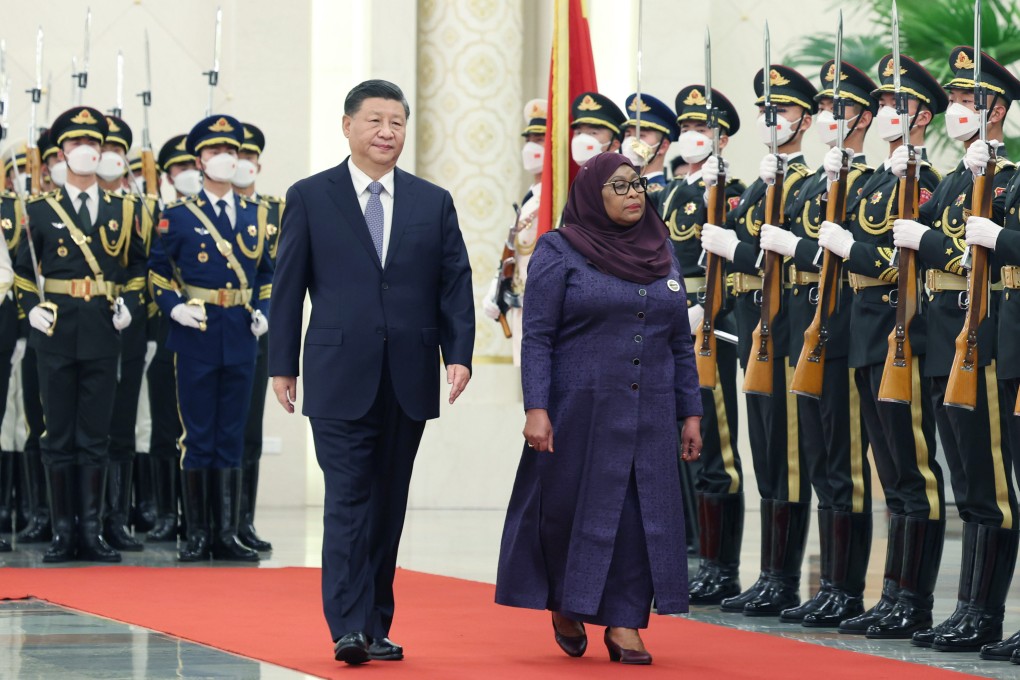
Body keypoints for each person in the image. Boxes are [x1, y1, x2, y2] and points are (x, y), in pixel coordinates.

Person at [268, 79, 475, 665]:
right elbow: (287, 289)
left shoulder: (431, 201)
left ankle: (376, 623)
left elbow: (453, 285)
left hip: (407, 375)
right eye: (375, 121)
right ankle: (348, 627)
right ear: (347, 126)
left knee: (388, 504)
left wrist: (457, 354)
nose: (387, 133)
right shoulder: (310, 196)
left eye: (398, 123)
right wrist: (282, 364)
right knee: (348, 500)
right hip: (337, 373)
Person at [495, 152, 702, 666]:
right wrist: (536, 407)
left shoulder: (662, 250)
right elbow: (537, 335)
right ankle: (565, 601)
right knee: (571, 510)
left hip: (650, 409)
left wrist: (690, 411)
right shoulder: (559, 249)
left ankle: (625, 622)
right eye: (620, 187)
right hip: (577, 408)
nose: (634, 195)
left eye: (638, 186)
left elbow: (680, 342)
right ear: (593, 194)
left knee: (637, 514)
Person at [886, 46, 1019, 644]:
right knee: (965, 482)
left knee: (991, 484)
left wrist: (988, 239)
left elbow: (972, 254)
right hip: (943, 339)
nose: (956, 110)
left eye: (968, 101)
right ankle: (968, 609)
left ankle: (985, 613)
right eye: (956, 101)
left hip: (986, 339)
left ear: (997, 109)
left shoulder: (1012, 182)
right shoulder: (952, 185)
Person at [819, 54, 945, 637]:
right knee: (891, 473)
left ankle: (914, 600)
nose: (886, 112)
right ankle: (893, 593)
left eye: (898, 104)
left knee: (913, 472)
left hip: (906, 335)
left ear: (921, 117)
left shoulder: (931, 185)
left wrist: (853, 251)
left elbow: (901, 267)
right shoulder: (872, 184)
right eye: (884, 102)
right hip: (866, 335)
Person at [701, 64, 815, 616]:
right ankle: (769, 574)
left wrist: (733, 247)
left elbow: (780, 257)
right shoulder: (762, 185)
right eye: (766, 113)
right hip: (752, 325)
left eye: (784, 112)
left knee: (787, 452)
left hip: (787, 327)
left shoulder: (807, 186)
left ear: (806, 120)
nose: (773, 121)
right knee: (766, 452)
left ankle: (784, 577)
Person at [765, 59, 876, 628]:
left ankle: (847, 588)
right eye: (826, 107)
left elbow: (861, 256)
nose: (829, 116)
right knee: (819, 462)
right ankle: (830, 585)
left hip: (843, 327)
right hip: (804, 327)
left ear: (862, 116)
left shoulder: (872, 183)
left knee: (843, 461)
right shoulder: (811, 184)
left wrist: (802, 249)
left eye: (838, 108)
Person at [13, 106, 147, 563]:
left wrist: (128, 302)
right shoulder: (36, 210)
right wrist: (31, 310)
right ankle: (61, 531)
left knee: (95, 434)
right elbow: (21, 272)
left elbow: (135, 266)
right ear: (61, 152)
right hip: (54, 331)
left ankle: (91, 531)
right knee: (56, 433)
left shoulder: (123, 210)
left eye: (93, 144)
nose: (85, 151)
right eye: (75, 144)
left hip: (102, 330)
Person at [149, 114, 273, 564]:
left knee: (233, 434)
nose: (226, 159)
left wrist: (264, 311)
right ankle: (198, 532)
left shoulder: (258, 216)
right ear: (200, 160)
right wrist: (174, 307)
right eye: (217, 152)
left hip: (240, 334)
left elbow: (266, 275)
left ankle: (227, 531)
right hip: (197, 334)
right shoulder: (177, 217)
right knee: (198, 434)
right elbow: (158, 274)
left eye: (232, 152)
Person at [657, 83, 745, 600]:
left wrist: (705, 312)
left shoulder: (728, 192)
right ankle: (701, 558)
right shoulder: (670, 190)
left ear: (723, 140)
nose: (691, 136)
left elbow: (734, 264)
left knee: (716, 445)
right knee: (679, 439)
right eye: (687, 128)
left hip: (711, 322)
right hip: (671, 318)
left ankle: (721, 567)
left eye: (702, 129)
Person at [231, 121, 283, 552]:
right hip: (219, 326)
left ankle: (243, 520)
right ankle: (215, 521)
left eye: (248, 157)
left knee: (249, 429)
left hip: (258, 330)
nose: (241, 164)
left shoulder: (274, 212)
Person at [144, 133, 196, 543]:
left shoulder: (211, 216)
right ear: (165, 175)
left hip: (203, 330)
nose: (189, 174)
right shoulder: (155, 216)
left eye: (192, 166)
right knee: (164, 425)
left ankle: (200, 516)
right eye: (179, 169)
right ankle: (165, 512)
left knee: (200, 426)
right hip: (162, 329)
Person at [482, 99, 546, 366]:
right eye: (529, 138)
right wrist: (496, 288)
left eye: (540, 139)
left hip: (543, 311)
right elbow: (514, 252)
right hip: (522, 307)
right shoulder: (530, 199)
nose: (532, 146)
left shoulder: (557, 198)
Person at [620, 93, 677, 194]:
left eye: (641, 136)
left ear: (663, 146)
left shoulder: (662, 194)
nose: (632, 142)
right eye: (628, 135)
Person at [570, 92, 624, 165]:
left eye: (593, 133)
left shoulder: (623, 176)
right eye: (578, 133)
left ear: (613, 145)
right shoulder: (582, 176)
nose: (582, 139)